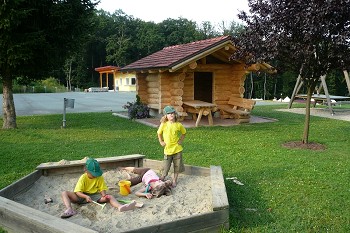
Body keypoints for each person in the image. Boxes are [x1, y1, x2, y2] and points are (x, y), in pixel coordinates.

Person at [60, 158, 136, 218]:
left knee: (110, 197)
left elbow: (102, 188)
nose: (95, 176)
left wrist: (104, 195)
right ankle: (69, 209)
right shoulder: (83, 178)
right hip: (81, 196)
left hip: (94, 196)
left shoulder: (99, 177)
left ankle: (120, 206)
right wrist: (85, 196)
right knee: (64, 193)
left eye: (97, 174)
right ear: (86, 171)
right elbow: (78, 192)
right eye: (93, 174)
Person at [157, 105, 186, 187]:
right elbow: (159, 133)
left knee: (177, 166)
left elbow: (184, 133)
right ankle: (162, 177)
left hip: (177, 149)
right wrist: (161, 141)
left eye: (173, 113)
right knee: (166, 166)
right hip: (167, 150)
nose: (171, 115)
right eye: (169, 113)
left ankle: (174, 180)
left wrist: (180, 140)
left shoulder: (178, 125)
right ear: (165, 115)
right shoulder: (164, 124)